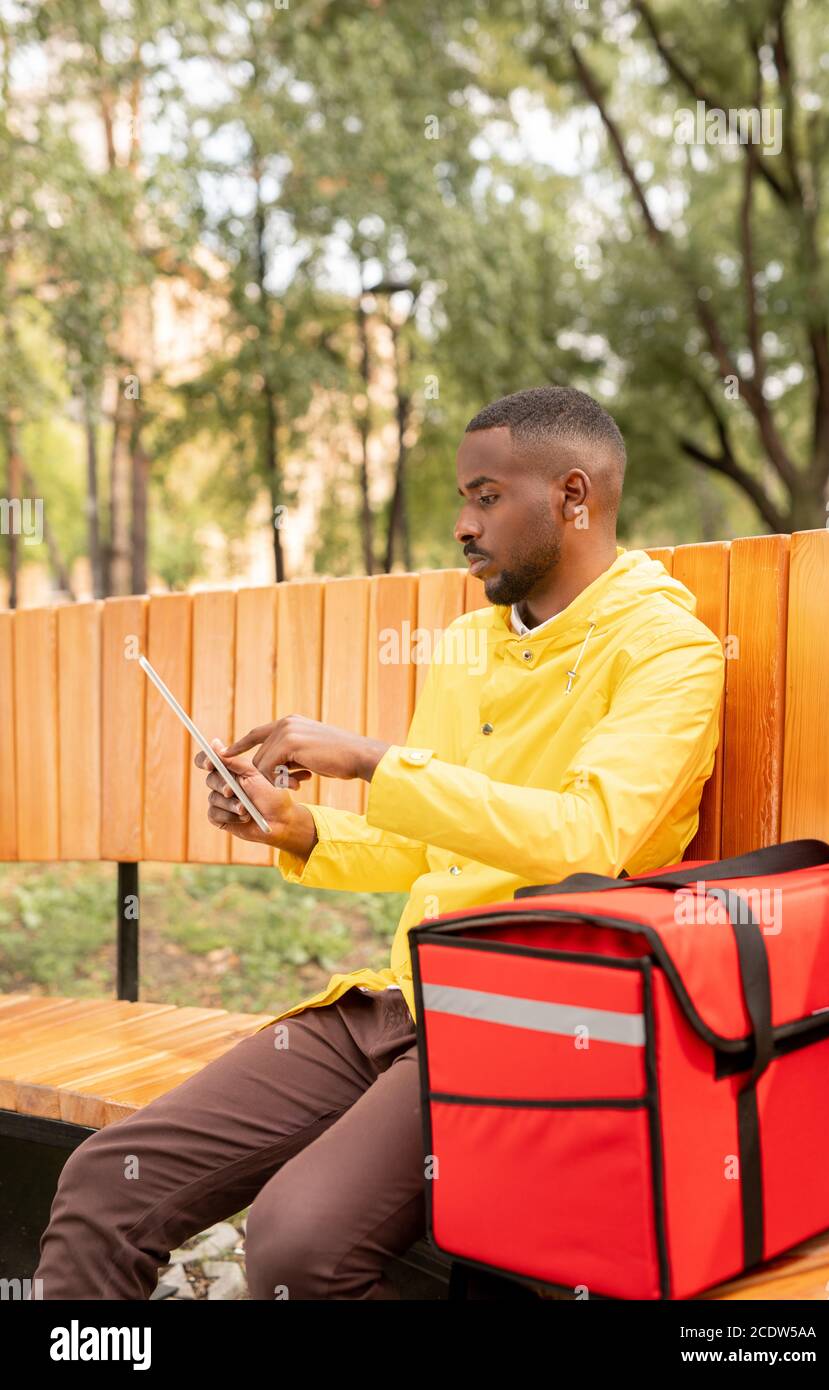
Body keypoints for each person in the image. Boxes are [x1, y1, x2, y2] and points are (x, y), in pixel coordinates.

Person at [32, 386, 725, 1300]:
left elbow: (586, 840)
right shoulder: (470, 644)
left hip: (526, 1018)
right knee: (104, 1183)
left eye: (486, 496)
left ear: (574, 496)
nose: (461, 525)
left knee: (297, 1244)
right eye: (464, 499)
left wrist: (371, 760)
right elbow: (430, 846)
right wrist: (303, 825)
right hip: (398, 1003)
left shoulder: (670, 652)